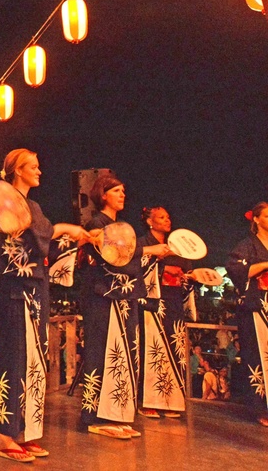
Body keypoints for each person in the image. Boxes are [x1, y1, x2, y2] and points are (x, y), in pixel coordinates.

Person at [0, 149, 91, 462]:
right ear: (17, 170)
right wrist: (63, 228)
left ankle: (23, 431)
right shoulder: (5, 198)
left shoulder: (32, 205)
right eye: (33, 166)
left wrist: (77, 237)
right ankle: (2, 435)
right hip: (15, 289)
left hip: (36, 288)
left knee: (34, 360)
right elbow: (39, 235)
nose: (39, 171)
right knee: (13, 357)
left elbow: (44, 240)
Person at [76, 174, 170, 440]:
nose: (122, 195)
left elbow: (129, 252)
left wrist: (143, 252)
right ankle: (95, 416)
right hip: (103, 296)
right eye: (116, 191)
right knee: (102, 351)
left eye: (123, 191)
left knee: (123, 353)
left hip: (122, 297)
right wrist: (149, 251)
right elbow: (116, 255)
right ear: (103, 195)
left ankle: (115, 413)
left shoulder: (120, 225)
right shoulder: (97, 224)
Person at [136, 207, 189, 419]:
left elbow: (185, 269)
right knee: (153, 349)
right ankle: (148, 400)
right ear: (150, 222)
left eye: (168, 216)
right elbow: (134, 268)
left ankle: (172, 400)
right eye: (161, 217)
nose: (167, 220)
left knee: (175, 346)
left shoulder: (176, 246)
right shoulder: (142, 244)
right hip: (152, 301)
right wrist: (165, 269)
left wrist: (187, 277)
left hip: (173, 300)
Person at [226, 202, 268, 427]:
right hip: (256, 304)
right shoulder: (246, 246)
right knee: (257, 355)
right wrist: (265, 265)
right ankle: (260, 407)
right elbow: (236, 270)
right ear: (256, 220)